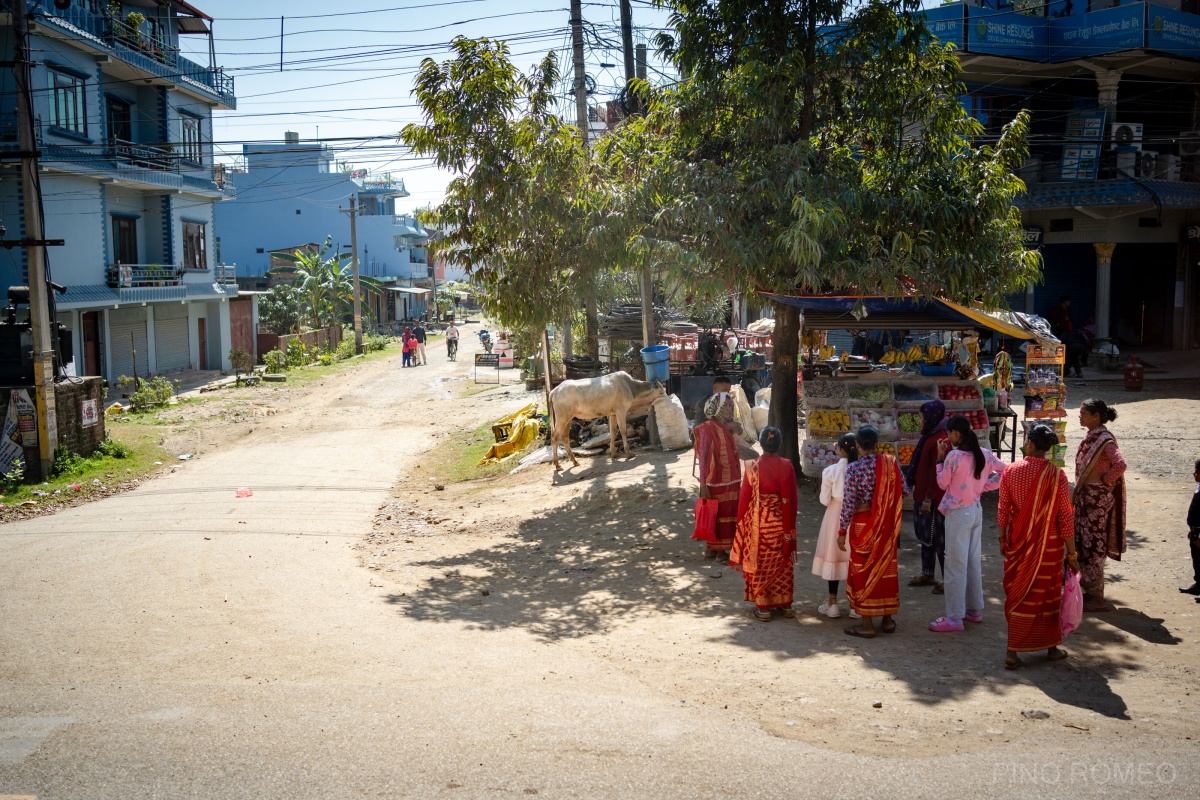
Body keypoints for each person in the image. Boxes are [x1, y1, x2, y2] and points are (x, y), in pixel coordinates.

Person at [998, 424, 1078, 670]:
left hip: (1018, 542)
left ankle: (1012, 652)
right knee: (1047, 595)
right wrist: (1072, 554)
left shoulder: (1011, 471)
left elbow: (1003, 510)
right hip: (1048, 546)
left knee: (1019, 594)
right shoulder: (1057, 476)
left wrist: (1002, 539)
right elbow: (1065, 517)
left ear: (1030, 444)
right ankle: (1051, 647)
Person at [928, 416, 1006, 632]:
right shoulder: (984, 454)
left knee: (954, 563)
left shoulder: (954, 456)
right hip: (975, 510)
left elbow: (942, 483)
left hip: (958, 513)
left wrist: (939, 459)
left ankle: (954, 617)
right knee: (972, 561)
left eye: (949, 433)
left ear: (955, 434)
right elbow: (1005, 471)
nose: (947, 437)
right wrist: (983, 487)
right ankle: (973, 610)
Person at [839, 425, 906, 637]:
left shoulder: (854, 469)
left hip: (862, 526)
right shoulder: (890, 464)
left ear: (857, 446)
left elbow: (849, 503)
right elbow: (904, 489)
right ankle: (887, 620)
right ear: (877, 444)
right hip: (885, 525)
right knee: (885, 567)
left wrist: (842, 531)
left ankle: (867, 625)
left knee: (863, 571)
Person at [730, 427, 798, 621]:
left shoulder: (752, 466)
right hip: (782, 524)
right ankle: (786, 606)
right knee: (784, 563)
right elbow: (793, 499)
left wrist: (739, 522)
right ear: (780, 444)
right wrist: (791, 525)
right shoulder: (787, 465)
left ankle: (764, 610)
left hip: (759, 525)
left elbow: (744, 498)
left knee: (761, 565)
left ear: (760, 444)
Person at [1073, 398, 1127, 612]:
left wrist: (1106, 481)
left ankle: (1097, 597)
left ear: (1096, 416)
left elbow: (1120, 464)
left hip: (1096, 501)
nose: (1080, 416)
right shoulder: (1092, 436)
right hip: (1086, 499)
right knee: (1084, 543)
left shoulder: (1105, 440)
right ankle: (1086, 589)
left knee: (1094, 545)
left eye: (1084, 413)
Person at [812, 432, 859, 619]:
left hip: (835, 516)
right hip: (856, 516)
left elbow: (824, 500)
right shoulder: (859, 469)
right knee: (854, 558)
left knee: (834, 555)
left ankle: (832, 604)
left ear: (839, 449)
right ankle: (855, 605)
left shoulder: (830, 471)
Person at [906, 400, 949, 594]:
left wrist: (928, 499)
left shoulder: (939, 441)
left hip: (932, 499)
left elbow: (937, 474)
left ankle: (948, 580)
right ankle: (928, 573)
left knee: (939, 541)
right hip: (923, 494)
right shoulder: (929, 437)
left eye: (922, 417)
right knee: (926, 538)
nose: (920, 421)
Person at [694, 393, 742, 562]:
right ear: (719, 409)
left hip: (731, 478)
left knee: (725, 515)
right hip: (715, 479)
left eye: (731, 406)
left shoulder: (726, 427)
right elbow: (703, 457)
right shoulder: (706, 429)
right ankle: (720, 552)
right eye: (727, 406)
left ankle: (711, 550)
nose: (731, 409)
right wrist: (702, 484)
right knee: (718, 514)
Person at [1183, 458, 1200, 598]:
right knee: (1197, 558)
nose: (1194, 474)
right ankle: (1198, 585)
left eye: (1197, 472)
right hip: (1196, 531)